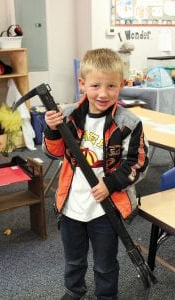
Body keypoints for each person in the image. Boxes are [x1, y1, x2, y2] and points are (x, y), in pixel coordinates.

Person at [43, 48, 149, 300]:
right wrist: (51, 130)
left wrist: (111, 183)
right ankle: (74, 289)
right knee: (74, 259)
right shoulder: (69, 116)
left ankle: (106, 295)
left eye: (111, 86)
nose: (103, 93)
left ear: (121, 85)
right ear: (82, 84)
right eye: (95, 85)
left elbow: (138, 163)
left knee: (105, 263)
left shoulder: (128, 122)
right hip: (71, 206)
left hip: (106, 208)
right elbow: (54, 153)